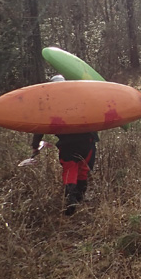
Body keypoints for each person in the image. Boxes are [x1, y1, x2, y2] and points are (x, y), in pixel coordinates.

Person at [30, 75, 99, 216]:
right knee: (83, 170)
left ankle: (71, 199)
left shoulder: (50, 106)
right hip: (86, 142)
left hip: (68, 145)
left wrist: (35, 145)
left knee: (70, 170)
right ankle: (79, 197)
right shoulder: (79, 99)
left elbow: (40, 128)